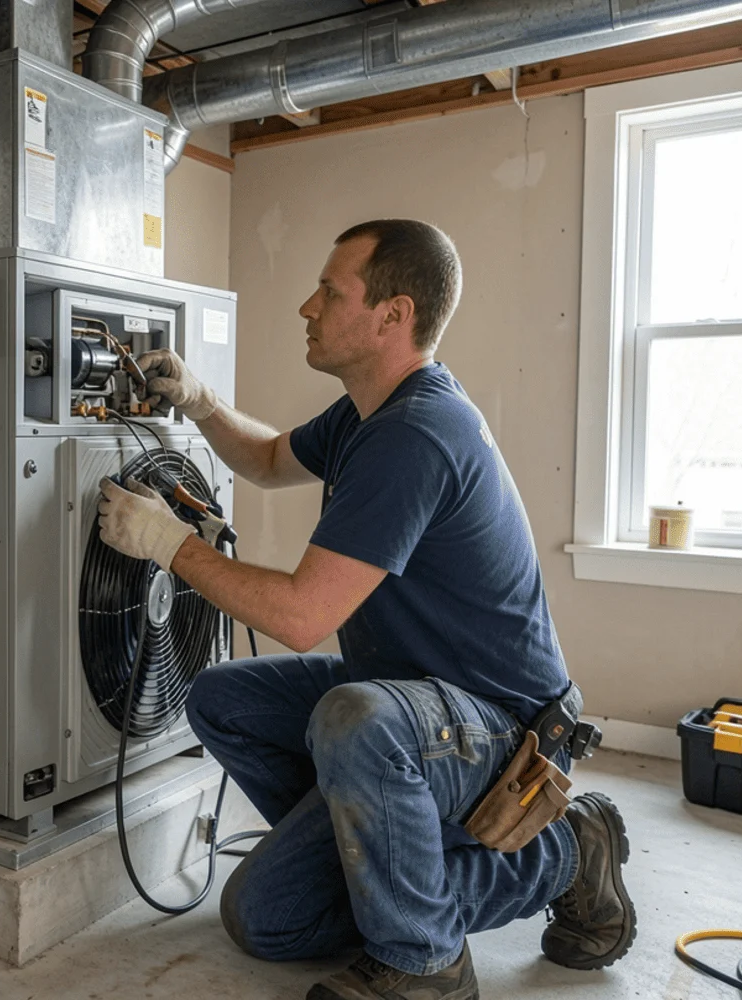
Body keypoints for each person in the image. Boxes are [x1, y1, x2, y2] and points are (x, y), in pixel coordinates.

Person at [96, 220, 635, 1000]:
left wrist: (167, 543)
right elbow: (267, 458)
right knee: (231, 755)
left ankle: (478, 920)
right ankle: (386, 871)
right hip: (419, 706)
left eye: (330, 291)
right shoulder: (367, 414)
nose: (307, 307)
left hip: (500, 730)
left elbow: (301, 616)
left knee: (355, 720)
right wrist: (202, 400)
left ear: (393, 315)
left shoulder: (415, 433)